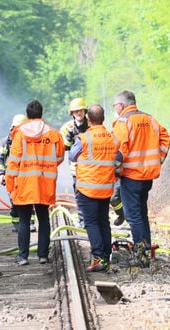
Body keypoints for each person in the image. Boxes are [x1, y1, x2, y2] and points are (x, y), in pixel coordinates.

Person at [112, 90, 170, 267]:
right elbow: (166, 139)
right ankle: (145, 254)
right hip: (147, 177)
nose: (115, 109)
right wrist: (157, 160)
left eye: (115, 105)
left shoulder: (123, 122)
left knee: (134, 216)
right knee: (142, 215)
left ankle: (140, 257)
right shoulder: (150, 119)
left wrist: (114, 170)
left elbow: (119, 150)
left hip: (131, 176)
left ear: (121, 105)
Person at [5, 99, 65, 266]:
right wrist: (46, 165)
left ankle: (23, 257)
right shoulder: (53, 134)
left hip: (25, 183)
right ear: (41, 113)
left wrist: (10, 185)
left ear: (27, 115)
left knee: (24, 220)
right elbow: (59, 156)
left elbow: (13, 162)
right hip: (45, 182)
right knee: (43, 218)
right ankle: (43, 255)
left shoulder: (20, 134)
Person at [69, 104, 120, 272]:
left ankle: (98, 258)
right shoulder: (112, 138)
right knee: (103, 222)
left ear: (89, 120)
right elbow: (118, 157)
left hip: (87, 189)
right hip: (105, 187)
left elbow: (72, 155)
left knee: (91, 223)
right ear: (103, 119)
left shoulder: (84, 138)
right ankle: (106, 257)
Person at [0, 113, 28, 232]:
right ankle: (17, 224)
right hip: (12, 178)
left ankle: (30, 222)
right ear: (12, 128)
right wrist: (0, 174)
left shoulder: (30, 141)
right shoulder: (7, 142)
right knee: (14, 203)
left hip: (26, 177)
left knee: (29, 201)